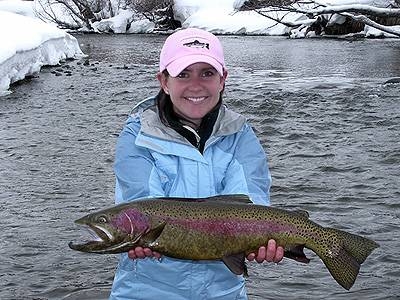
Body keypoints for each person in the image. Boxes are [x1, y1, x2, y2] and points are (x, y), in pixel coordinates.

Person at [110, 28, 284, 300]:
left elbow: (252, 204)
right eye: (183, 74)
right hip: (145, 291)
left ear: (223, 79)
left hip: (224, 292)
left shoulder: (241, 135)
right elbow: (142, 203)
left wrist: (261, 241)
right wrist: (138, 236)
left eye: (207, 73)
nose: (196, 85)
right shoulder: (137, 135)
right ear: (164, 81)